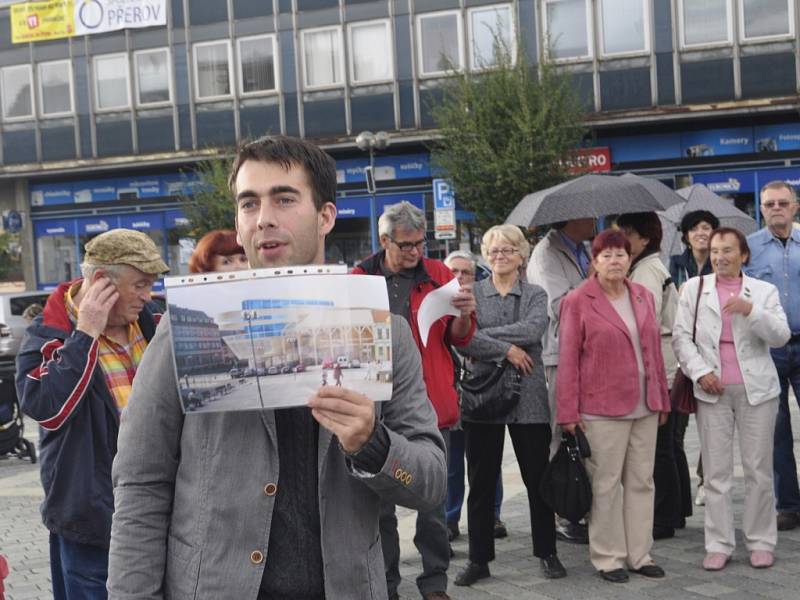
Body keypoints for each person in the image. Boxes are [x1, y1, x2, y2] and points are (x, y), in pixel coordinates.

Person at [107, 136, 447, 599]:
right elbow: (141, 483)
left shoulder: (386, 333)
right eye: (249, 203)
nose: (263, 217)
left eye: (284, 199)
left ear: (325, 215)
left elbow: (429, 484)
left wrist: (374, 445)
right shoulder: (188, 328)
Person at [15, 228, 168, 600]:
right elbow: (46, 408)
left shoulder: (154, 323)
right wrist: (85, 334)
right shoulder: (48, 336)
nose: (148, 296)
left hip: (159, 516)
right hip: (94, 526)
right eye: (141, 285)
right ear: (102, 281)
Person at [353, 201, 476, 600]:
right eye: (406, 244)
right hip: (375, 400)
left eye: (420, 243)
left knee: (432, 496)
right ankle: (387, 582)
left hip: (429, 395)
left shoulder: (438, 273)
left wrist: (463, 313)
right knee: (380, 503)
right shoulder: (360, 277)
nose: (415, 251)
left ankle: (435, 579)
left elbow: (459, 337)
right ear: (384, 240)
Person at [557, 229, 670, 584]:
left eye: (621, 254)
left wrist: (662, 397)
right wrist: (567, 413)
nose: (615, 261)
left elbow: (654, 351)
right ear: (594, 261)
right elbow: (568, 359)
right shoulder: (577, 300)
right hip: (600, 408)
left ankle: (640, 553)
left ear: (630, 258)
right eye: (606, 255)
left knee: (642, 481)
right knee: (606, 485)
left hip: (645, 404)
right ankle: (608, 557)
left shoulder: (642, 296)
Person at [673, 227, 790, 571]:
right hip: (712, 390)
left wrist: (751, 310)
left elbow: (781, 337)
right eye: (714, 251)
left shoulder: (764, 291)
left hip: (757, 391)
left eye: (727, 250)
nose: (720, 257)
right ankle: (719, 543)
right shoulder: (694, 289)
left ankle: (761, 541)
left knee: (758, 470)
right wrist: (699, 372)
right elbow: (681, 338)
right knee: (716, 472)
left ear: (744, 255)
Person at [455, 225, 566, 586]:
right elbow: (462, 340)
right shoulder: (471, 293)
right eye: (493, 250)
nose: (499, 256)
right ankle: (478, 558)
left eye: (507, 250)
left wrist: (486, 339)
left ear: (521, 256)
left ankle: (547, 552)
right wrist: (507, 349)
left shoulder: (535, 294)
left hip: (528, 397)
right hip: (483, 395)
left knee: (538, 479)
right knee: (482, 482)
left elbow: (533, 330)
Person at [617, 212, 691, 539]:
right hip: (667, 361)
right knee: (671, 442)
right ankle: (677, 509)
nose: (622, 240)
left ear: (644, 238)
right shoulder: (648, 267)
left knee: (661, 444)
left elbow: (641, 321)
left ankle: (664, 515)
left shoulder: (646, 271)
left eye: (627, 234)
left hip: (659, 364)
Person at [527, 218, 594, 544]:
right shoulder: (546, 254)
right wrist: (593, 283)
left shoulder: (584, 249)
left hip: (583, 352)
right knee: (559, 433)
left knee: (579, 433)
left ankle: (578, 506)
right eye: (589, 213)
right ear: (572, 218)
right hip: (556, 354)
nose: (595, 218)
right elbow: (556, 304)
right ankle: (561, 514)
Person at [745, 181, 800, 532]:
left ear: (795, 206)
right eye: (769, 204)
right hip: (769, 349)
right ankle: (789, 505)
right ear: (761, 209)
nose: (776, 208)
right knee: (776, 430)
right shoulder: (748, 249)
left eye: (783, 202)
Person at [442, 251, 506, 544]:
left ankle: (492, 515)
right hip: (450, 396)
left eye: (465, 272)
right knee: (451, 463)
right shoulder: (436, 304)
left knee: (485, 461)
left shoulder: (483, 303)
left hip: (483, 392)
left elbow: (486, 340)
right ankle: (450, 519)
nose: (459, 276)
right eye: (453, 271)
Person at [669, 209, 720, 506]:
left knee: (712, 424)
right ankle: (679, 489)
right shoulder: (676, 265)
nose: (701, 233)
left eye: (707, 228)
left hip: (712, 353)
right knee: (677, 425)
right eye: (695, 229)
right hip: (682, 353)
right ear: (686, 236)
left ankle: (705, 479)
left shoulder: (721, 264)